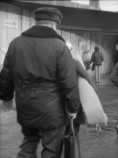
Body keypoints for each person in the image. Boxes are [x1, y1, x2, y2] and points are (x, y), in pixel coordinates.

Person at [0, 7, 80, 158]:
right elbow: (69, 81)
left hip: (25, 105)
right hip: (52, 109)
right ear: (53, 24)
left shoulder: (16, 43)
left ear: (36, 22)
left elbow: (6, 74)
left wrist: (6, 98)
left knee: (28, 144)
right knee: (51, 149)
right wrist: (73, 107)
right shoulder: (60, 47)